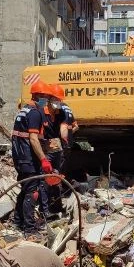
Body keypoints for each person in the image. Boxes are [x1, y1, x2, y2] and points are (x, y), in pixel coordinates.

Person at [12, 81, 54, 234]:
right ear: (39, 96)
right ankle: (29, 229)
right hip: (28, 157)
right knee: (32, 192)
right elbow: (33, 139)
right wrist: (43, 159)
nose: (47, 101)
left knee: (25, 190)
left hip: (20, 157)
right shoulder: (35, 113)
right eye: (46, 97)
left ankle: (18, 222)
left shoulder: (25, 110)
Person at [38, 84, 77, 218]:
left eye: (59, 100)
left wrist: (64, 141)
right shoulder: (41, 112)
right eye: (56, 99)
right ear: (49, 99)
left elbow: (65, 128)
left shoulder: (62, 112)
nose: (58, 102)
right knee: (45, 180)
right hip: (45, 150)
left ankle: (56, 206)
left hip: (58, 149)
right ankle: (45, 210)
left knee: (57, 179)